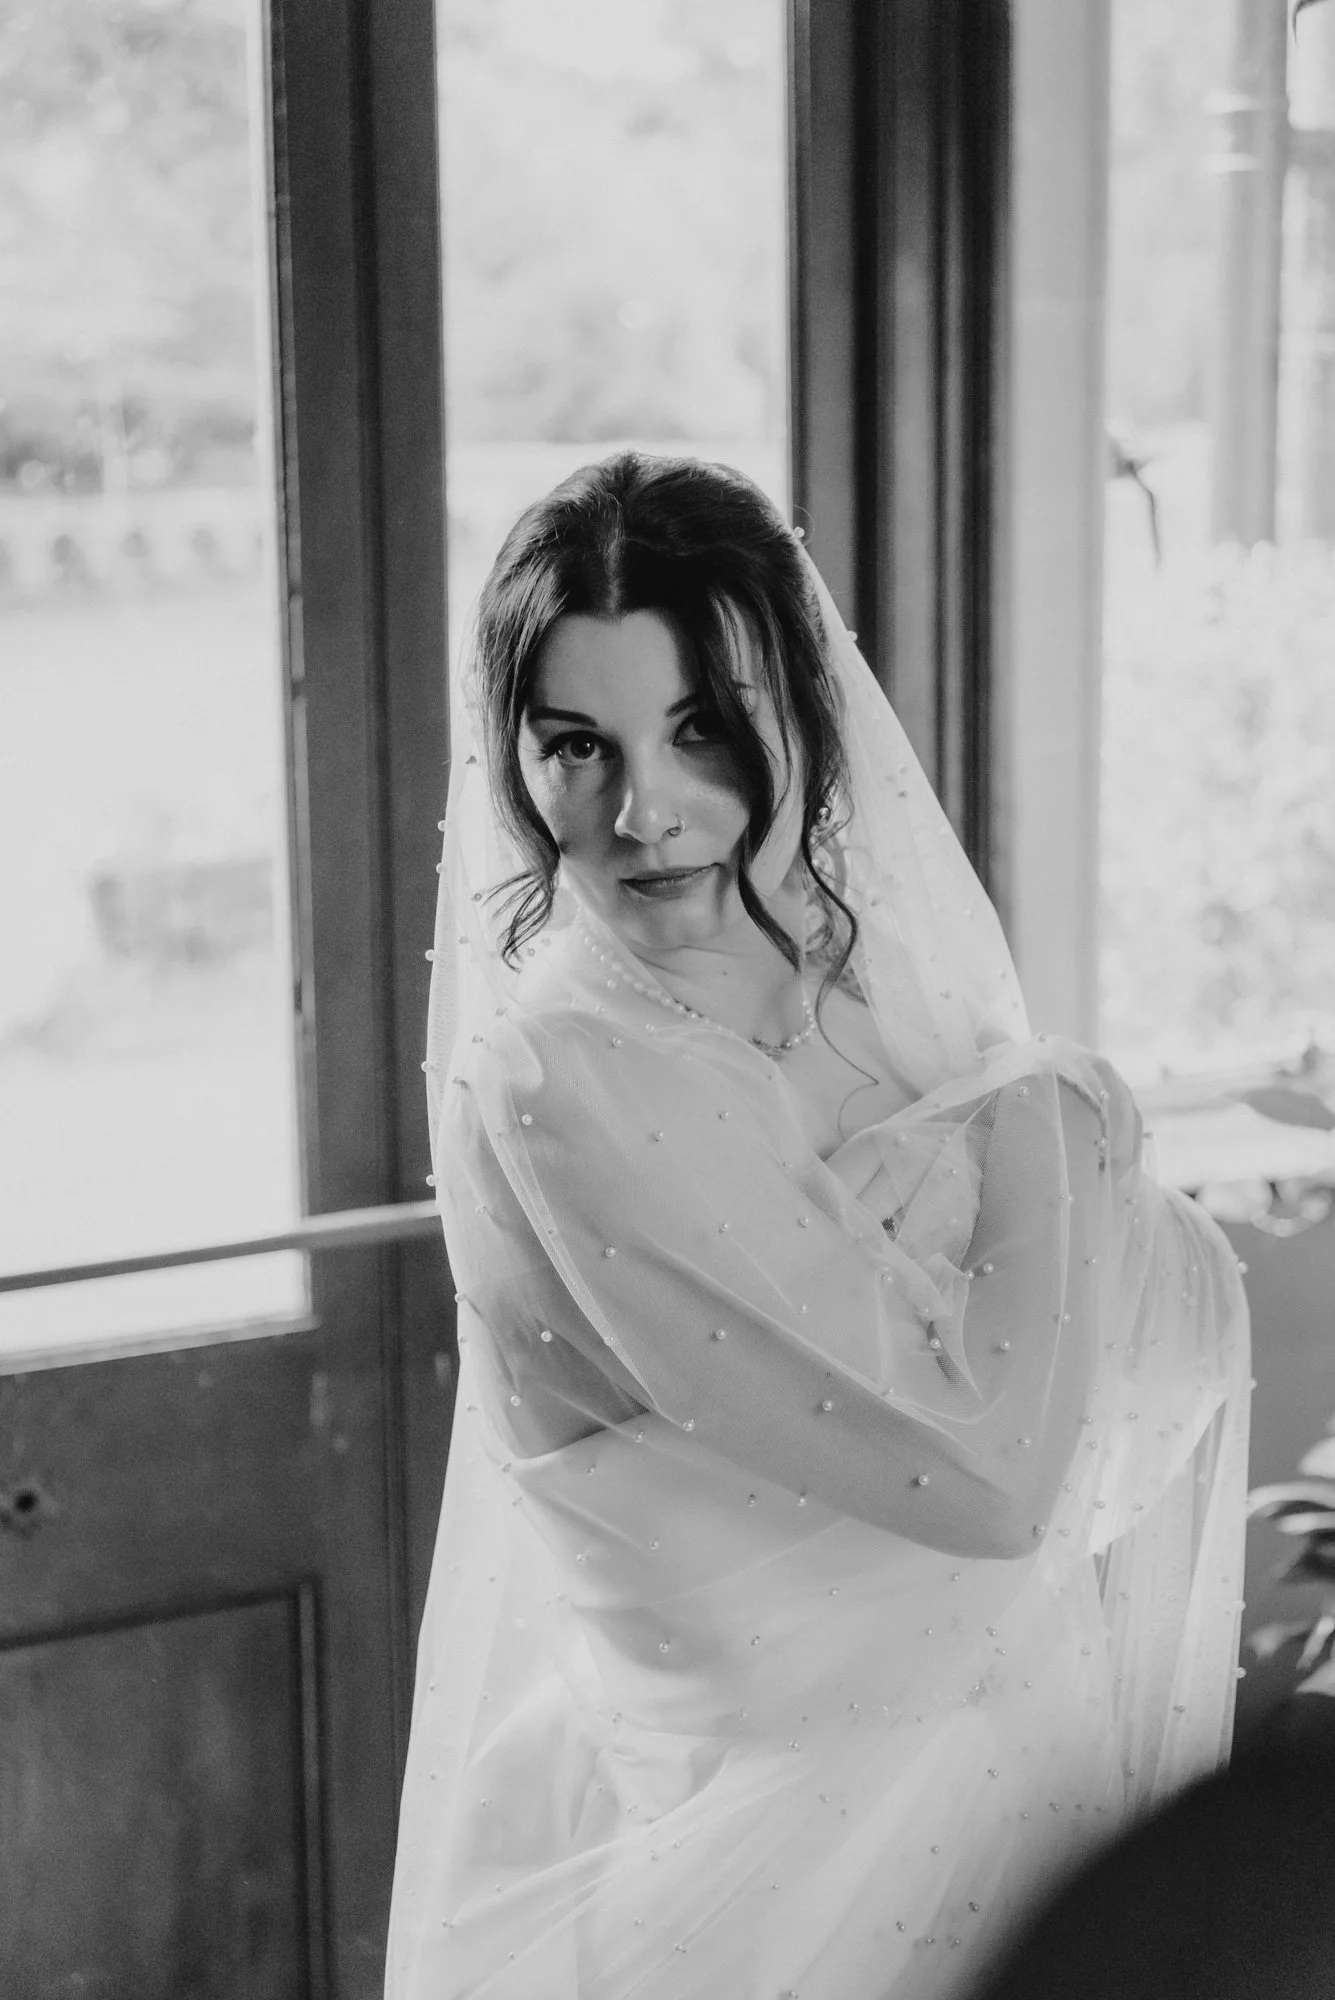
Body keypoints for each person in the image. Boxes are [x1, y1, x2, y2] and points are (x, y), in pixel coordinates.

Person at [385, 452, 1252, 2000]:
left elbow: (1125, 1359)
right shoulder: (564, 1074)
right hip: (777, 1882)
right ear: (511, 758)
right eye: (574, 745)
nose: (643, 812)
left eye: (701, 729)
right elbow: (991, 1480)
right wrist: (1050, 1132)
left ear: (802, 709)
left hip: (1009, 1792)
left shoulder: (851, 980)